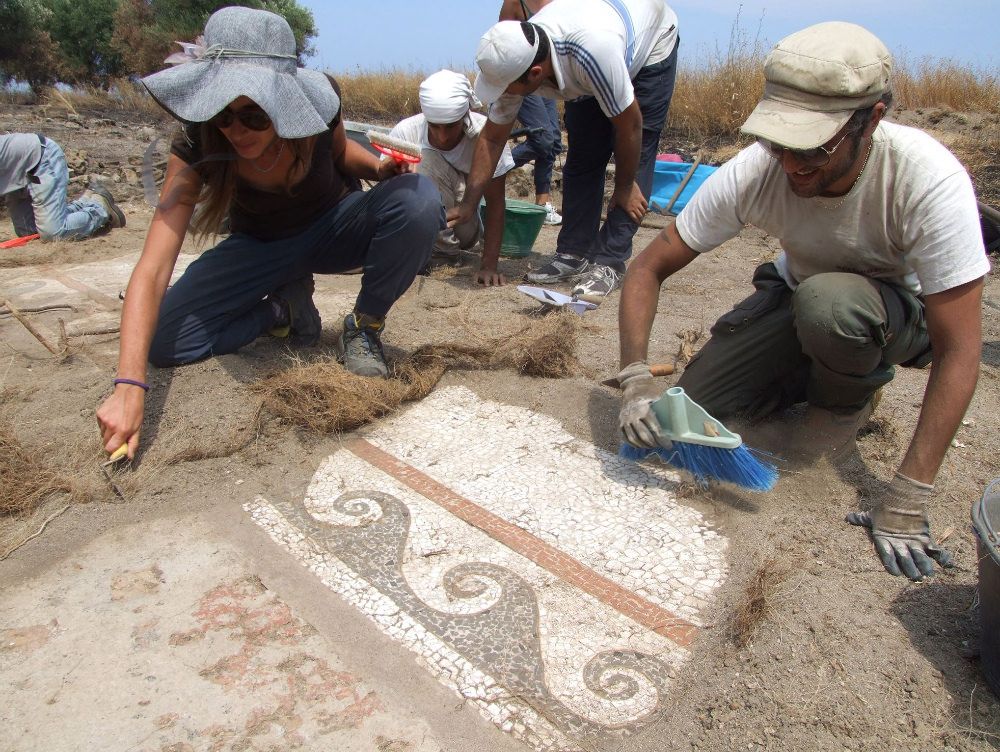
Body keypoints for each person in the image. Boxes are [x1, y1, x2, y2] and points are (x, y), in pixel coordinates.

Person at [616, 22, 990, 581]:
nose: (792, 166)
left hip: (890, 316)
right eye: (779, 143)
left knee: (830, 306)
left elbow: (962, 350)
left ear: (874, 118)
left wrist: (910, 496)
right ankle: (800, 372)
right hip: (797, 297)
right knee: (688, 406)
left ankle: (844, 402)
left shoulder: (926, 179)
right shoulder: (755, 171)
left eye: (815, 146)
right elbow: (648, 267)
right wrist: (635, 380)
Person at [96, 7, 442, 459]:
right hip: (261, 246)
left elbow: (342, 155)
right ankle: (281, 309)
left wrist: (378, 168)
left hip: (334, 226)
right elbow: (154, 266)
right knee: (166, 342)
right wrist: (129, 384)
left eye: (255, 115)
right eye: (224, 114)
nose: (237, 130)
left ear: (283, 100)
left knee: (419, 199)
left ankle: (363, 327)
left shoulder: (319, 109)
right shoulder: (198, 142)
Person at [450, 0, 679, 303]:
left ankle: (608, 261)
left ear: (534, 74)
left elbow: (631, 126)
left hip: (651, 41)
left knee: (638, 157)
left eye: (506, 87)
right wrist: (469, 202)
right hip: (592, 46)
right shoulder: (520, 58)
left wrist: (623, 187)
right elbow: (492, 139)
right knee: (584, 153)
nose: (503, 94)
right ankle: (574, 252)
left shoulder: (591, 55)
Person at [388, 69, 515, 286]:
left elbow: (495, 203)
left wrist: (489, 266)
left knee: (425, 158)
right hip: (416, 226)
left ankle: (444, 253)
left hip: (463, 225)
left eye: (450, 126)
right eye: (434, 126)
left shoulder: (487, 135)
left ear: (465, 116)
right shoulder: (407, 131)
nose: (442, 136)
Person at [499, 0, 563, 226]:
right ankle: (494, 167)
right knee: (543, 139)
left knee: (554, 140)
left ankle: (542, 204)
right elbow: (502, 43)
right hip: (523, 79)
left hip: (546, 79)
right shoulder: (516, 4)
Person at [1, 132, 125, 240]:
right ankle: (84, 202)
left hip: (42, 159)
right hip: (18, 174)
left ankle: (100, 208)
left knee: (53, 233)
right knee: (29, 233)